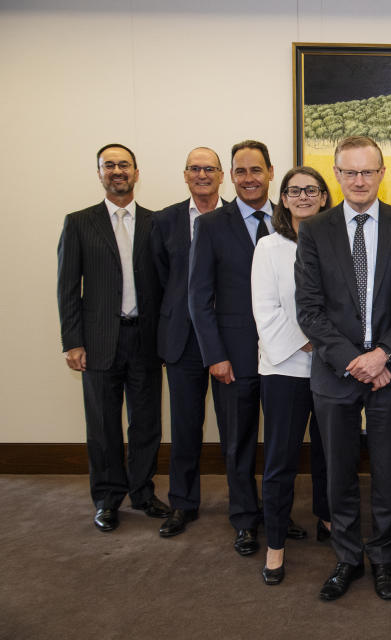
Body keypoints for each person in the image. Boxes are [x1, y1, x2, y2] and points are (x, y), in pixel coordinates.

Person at [295, 136, 391, 601]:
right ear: (337, 176)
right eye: (350, 172)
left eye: (368, 171)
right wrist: (353, 359)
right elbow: (309, 309)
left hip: (390, 371)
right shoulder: (315, 231)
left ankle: (383, 558)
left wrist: (383, 354)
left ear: (382, 173)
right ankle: (348, 558)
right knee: (338, 472)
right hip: (335, 372)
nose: (359, 180)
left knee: (387, 471)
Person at [189, 140, 305, 556]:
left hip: (287, 356)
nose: (248, 178)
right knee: (238, 441)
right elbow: (199, 297)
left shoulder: (291, 218)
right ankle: (243, 518)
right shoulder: (211, 225)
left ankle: (278, 514)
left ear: (271, 173)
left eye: (256, 170)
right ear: (230, 177)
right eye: (240, 171)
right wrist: (214, 355)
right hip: (234, 355)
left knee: (279, 445)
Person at [57, 143, 170, 532]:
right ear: (100, 173)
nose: (117, 171)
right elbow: (67, 287)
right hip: (99, 340)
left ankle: (142, 492)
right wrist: (72, 341)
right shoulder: (78, 223)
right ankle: (107, 499)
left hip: (146, 340)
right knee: (102, 425)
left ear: (137, 173)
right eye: (110, 166)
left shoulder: (158, 223)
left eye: (124, 165)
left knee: (146, 423)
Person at [252, 166, 332, 585]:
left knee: (330, 456)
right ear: (283, 198)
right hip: (284, 367)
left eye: (311, 190)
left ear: (323, 197)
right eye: (294, 190)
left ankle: (329, 520)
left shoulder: (335, 243)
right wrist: (311, 341)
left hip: (333, 368)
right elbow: (265, 311)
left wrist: (328, 345)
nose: (303, 196)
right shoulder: (269, 247)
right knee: (281, 460)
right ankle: (276, 544)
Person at [151, 147, 227, 537]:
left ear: (221, 175)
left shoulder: (237, 218)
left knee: (237, 429)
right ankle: (182, 502)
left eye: (209, 169)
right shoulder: (165, 221)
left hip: (228, 342)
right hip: (182, 340)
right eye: (195, 169)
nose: (202, 175)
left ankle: (245, 506)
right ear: (185, 175)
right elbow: (160, 281)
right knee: (184, 427)